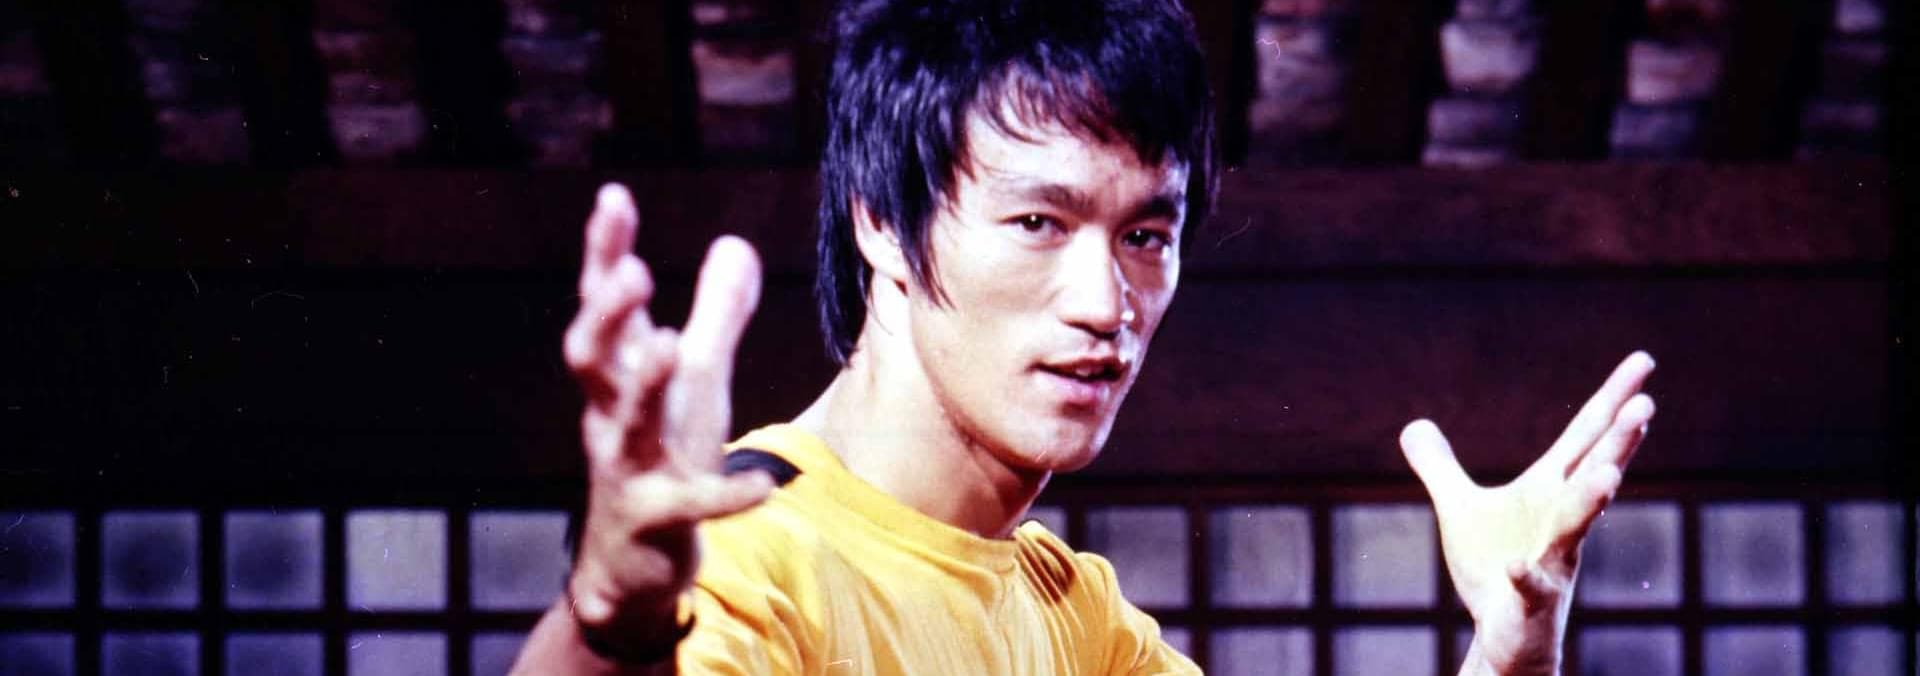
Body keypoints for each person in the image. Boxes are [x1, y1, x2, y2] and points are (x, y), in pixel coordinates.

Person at [513, 0, 1657, 673]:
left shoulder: (1077, 613)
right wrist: (609, 622)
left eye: (1146, 234)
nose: (1106, 301)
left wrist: (1509, 651)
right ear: (882, 222)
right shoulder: (749, 556)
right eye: (1038, 223)